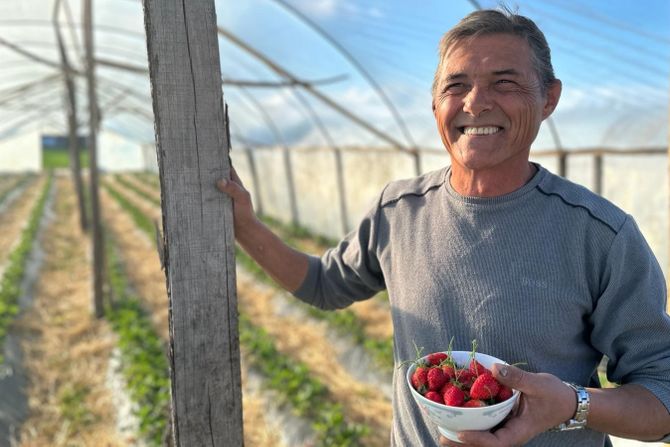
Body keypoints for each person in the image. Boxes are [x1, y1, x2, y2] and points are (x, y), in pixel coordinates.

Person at [217, 7, 670, 447]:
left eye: (505, 82)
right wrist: (246, 226)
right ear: (435, 104)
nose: (476, 102)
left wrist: (573, 404)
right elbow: (324, 285)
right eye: (457, 85)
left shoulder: (600, 236)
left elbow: (662, 396)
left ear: (548, 98)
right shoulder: (398, 210)